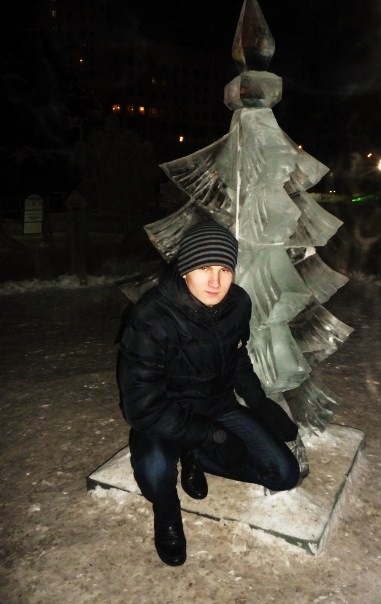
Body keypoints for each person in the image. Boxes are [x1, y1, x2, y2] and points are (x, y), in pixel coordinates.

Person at [117, 220, 303, 567]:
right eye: (204, 268)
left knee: (284, 474)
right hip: (164, 415)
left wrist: (259, 402)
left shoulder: (238, 303)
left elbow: (237, 357)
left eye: (224, 269)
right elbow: (142, 407)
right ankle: (167, 512)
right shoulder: (150, 318)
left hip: (217, 405)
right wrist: (213, 435)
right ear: (185, 269)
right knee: (154, 472)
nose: (216, 281)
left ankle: (194, 455)